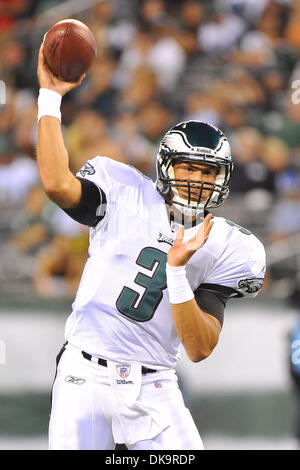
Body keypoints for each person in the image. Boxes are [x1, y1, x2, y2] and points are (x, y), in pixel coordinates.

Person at [36, 44, 266, 451]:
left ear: (223, 178)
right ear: (165, 167)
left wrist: (178, 272)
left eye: (208, 171)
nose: (198, 179)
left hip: (155, 383)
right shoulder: (124, 192)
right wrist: (50, 96)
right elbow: (57, 183)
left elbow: (198, 347)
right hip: (84, 375)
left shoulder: (229, 245)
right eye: (188, 167)